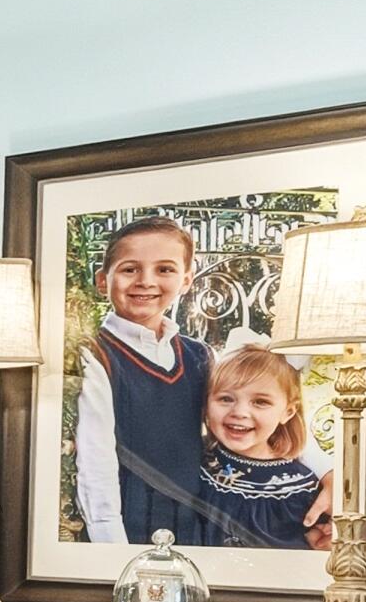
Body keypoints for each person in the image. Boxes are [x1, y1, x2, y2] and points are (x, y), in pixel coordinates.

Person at [72, 217, 211, 543]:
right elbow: (95, 462)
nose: (146, 281)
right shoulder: (93, 356)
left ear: (187, 280)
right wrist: (111, 545)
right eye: (130, 269)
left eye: (165, 269)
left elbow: (258, 412)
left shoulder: (200, 355)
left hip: (194, 520)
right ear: (103, 280)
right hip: (129, 520)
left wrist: (325, 472)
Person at [195, 338, 335, 550]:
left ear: (288, 411)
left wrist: (323, 542)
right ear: (206, 403)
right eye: (226, 399)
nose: (239, 412)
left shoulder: (301, 487)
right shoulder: (197, 461)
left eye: (260, 402)